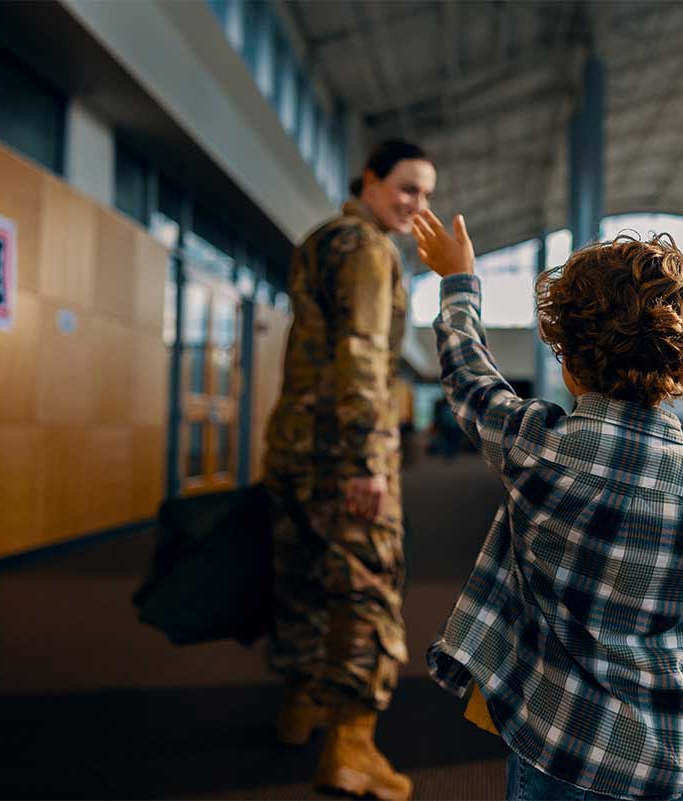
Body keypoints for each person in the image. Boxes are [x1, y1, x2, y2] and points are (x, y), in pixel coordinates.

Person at [412, 211, 683, 801]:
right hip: (667, 760)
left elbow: (470, 378)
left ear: (568, 360)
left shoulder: (535, 445)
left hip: (554, 748)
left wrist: (460, 280)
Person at [263, 140, 434, 801]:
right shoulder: (367, 249)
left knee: (302, 577)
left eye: (426, 193)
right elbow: (361, 355)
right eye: (407, 187)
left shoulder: (319, 240)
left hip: (296, 448)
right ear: (370, 178)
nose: (418, 203)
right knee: (367, 590)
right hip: (345, 454)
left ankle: (298, 709)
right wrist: (368, 457)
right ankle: (351, 747)